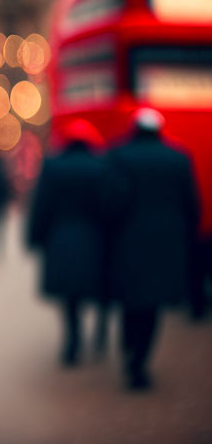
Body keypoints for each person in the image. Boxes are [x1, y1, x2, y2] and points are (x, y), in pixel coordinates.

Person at [108, 107, 200, 390]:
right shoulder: (179, 158)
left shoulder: (118, 156)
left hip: (127, 242)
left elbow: (110, 202)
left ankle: (128, 348)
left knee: (130, 300)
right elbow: (191, 205)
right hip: (166, 244)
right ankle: (140, 360)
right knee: (153, 304)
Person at [27, 119, 117, 366]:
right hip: (95, 238)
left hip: (61, 237)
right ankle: (100, 334)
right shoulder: (102, 166)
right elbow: (110, 206)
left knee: (69, 295)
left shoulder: (54, 166)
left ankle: (73, 341)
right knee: (98, 288)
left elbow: (41, 206)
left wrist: (35, 237)